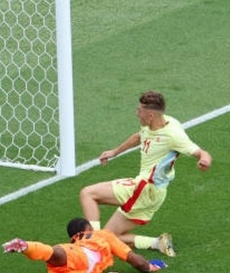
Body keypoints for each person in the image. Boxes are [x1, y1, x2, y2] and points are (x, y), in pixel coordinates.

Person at [79, 91, 212, 257]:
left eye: (139, 110)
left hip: (144, 189)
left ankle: (93, 243)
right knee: (112, 236)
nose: (136, 113)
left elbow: (201, 152)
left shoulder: (173, 134)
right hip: (153, 192)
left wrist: (204, 160)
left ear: (150, 115)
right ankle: (157, 243)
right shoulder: (154, 123)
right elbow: (139, 136)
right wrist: (115, 152)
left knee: (88, 194)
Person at [2, 218, 167, 273]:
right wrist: (151, 266)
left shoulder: (73, 243)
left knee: (55, 255)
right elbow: (136, 261)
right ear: (88, 228)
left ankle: (27, 246)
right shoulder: (102, 235)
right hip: (86, 262)